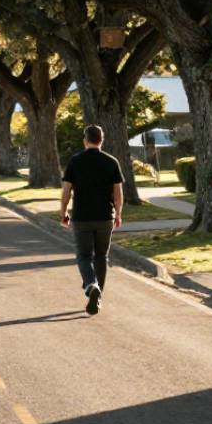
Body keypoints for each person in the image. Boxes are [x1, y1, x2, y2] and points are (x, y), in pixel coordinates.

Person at [59, 125, 124, 315]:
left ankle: (91, 285)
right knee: (101, 256)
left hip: (81, 217)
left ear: (85, 140)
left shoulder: (75, 161)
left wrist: (63, 213)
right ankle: (97, 296)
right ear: (101, 140)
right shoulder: (112, 162)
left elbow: (66, 192)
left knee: (83, 256)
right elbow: (118, 194)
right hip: (105, 217)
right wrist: (118, 214)